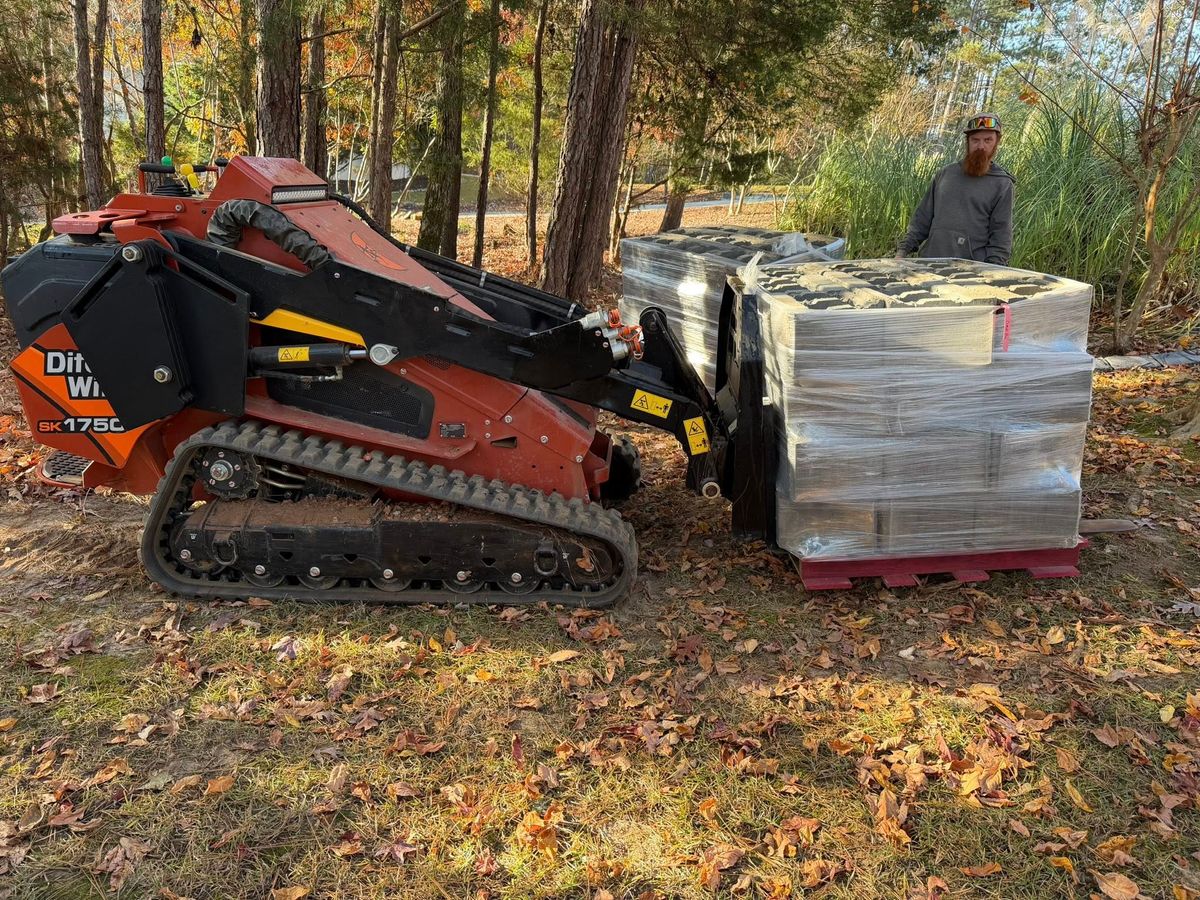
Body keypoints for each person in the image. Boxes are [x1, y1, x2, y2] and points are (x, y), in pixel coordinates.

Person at [896, 113, 1015, 265]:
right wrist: (902, 251)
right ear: (967, 141)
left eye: (987, 140)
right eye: (975, 140)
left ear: (997, 142)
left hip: (969, 270)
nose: (981, 146)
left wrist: (992, 270)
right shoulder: (946, 174)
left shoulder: (1002, 184)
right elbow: (922, 219)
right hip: (929, 262)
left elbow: (1001, 236)